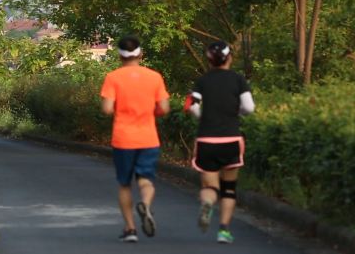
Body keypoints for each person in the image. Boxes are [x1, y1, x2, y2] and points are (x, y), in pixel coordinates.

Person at [100, 35, 170, 243]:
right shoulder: (154, 77)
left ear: (119, 56)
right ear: (140, 54)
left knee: (124, 184)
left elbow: (106, 109)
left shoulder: (113, 77)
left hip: (123, 139)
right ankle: (146, 205)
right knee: (146, 180)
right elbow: (164, 108)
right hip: (148, 138)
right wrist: (152, 111)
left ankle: (130, 229)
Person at [183, 40, 255, 244]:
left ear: (209, 60)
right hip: (231, 138)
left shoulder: (202, 81)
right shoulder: (238, 80)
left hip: (207, 140)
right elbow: (249, 107)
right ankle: (224, 230)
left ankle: (207, 203)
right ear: (229, 57)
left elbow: (193, 107)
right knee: (229, 188)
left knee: (210, 186)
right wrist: (234, 113)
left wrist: (204, 117)